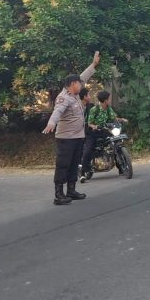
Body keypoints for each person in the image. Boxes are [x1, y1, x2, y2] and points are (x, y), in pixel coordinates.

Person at [42, 51, 100, 205]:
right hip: (66, 139)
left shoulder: (74, 94)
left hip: (78, 137)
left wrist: (94, 64)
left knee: (74, 165)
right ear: (73, 84)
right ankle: (58, 194)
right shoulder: (64, 98)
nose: (82, 85)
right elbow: (57, 111)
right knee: (63, 165)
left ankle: (71, 190)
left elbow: (84, 76)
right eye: (79, 84)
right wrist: (51, 123)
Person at [80, 90, 128, 181]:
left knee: (115, 143)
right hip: (93, 133)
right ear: (105, 100)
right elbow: (89, 123)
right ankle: (83, 172)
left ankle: (122, 167)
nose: (110, 100)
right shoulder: (94, 109)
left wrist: (122, 119)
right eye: (109, 99)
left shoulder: (109, 108)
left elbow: (114, 118)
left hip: (104, 131)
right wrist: (95, 126)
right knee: (88, 150)